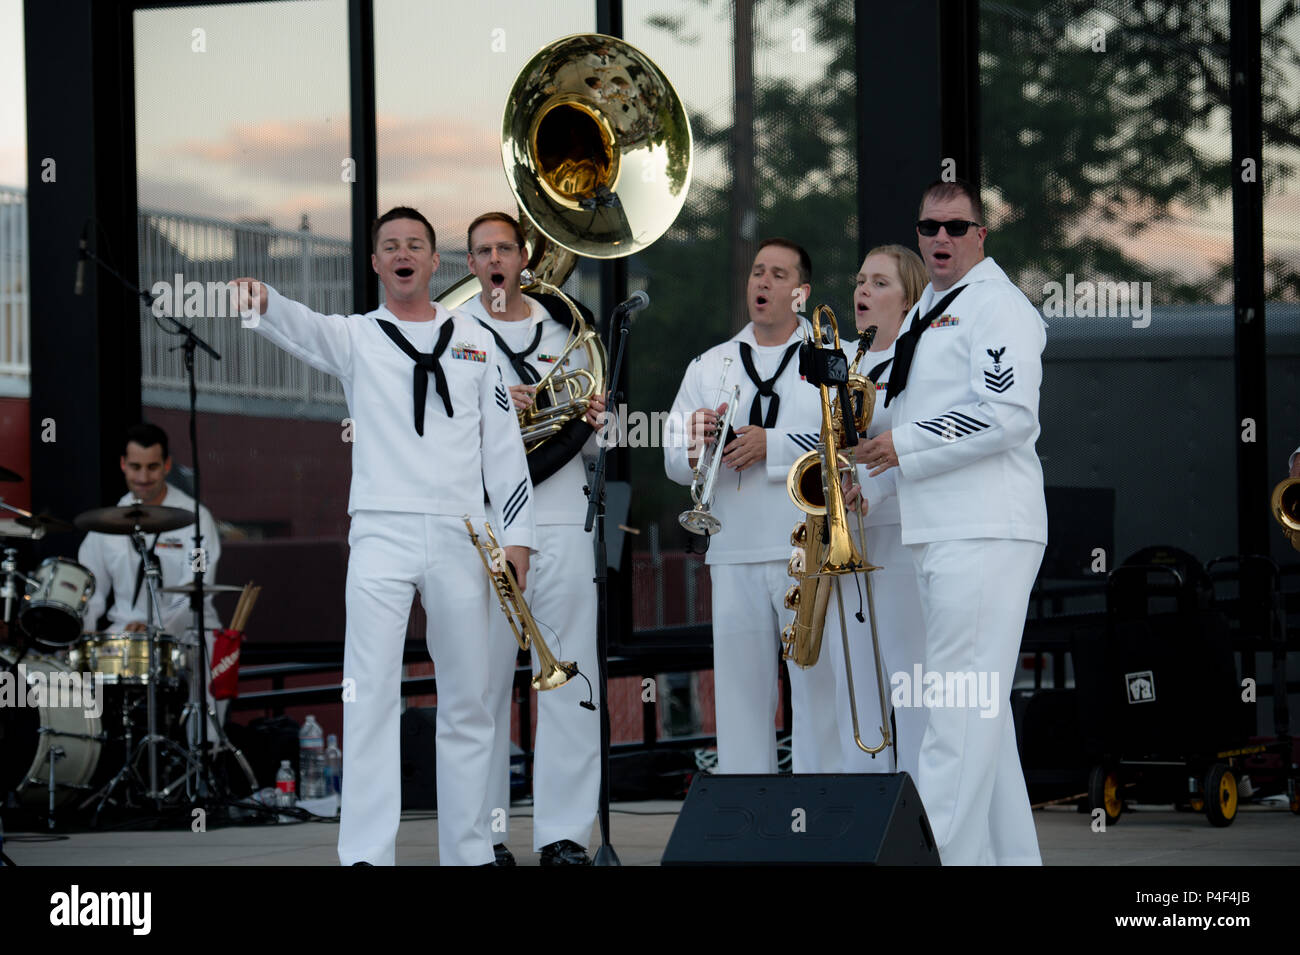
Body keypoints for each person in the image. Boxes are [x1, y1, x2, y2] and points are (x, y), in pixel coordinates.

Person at [231, 205, 536, 866]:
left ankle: (471, 850)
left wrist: (518, 538)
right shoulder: (357, 337)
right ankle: (367, 853)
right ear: (376, 263)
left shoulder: (474, 337)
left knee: (469, 699)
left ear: (434, 262)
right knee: (368, 693)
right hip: (381, 531)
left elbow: (505, 447)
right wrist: (263, 299)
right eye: (390, 245)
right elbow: (303, 330)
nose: (403, 253)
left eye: (416, 244)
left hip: (463, 533)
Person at [855, 179, 1048, 865]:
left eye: (957, 228)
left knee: (956, 718)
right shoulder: (927, 312)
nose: (941, 239)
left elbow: (1007, 416)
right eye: (930, 228)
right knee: (980, 723)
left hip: (986, 527)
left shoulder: (998, 308)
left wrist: (902, 445)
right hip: (942, 530)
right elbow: (907, 414)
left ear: (980, 234)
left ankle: (930, 859)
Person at [459, 211, 605, 866]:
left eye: (505, 248)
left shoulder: (565, 332)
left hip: (561, 515)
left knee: (570, 676)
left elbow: (578, 410)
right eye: (482, 250)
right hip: (488, 525)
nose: (495, 259)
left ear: (525, 258)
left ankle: (564, 835)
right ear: (470, 264)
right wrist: (491, 405)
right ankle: (485, 838)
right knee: (482, 686)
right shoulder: (453, 336)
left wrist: (592, 416)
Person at [664, 238, 840, 774]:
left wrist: (774, 446)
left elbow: (848, 442)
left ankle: (825, 816)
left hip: (809, 554)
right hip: (734, 549)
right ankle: (748, 820)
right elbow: (673, 459)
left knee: (820, 696)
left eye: (778, 274)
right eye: (757, 272)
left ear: (801, 293)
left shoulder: (835, 356)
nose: (762, 282)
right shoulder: (709, 363)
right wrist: (695, 445)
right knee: (739, 700)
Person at [829, 244, 929, 781]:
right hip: (849, 533)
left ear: (909, 296)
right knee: (854, 683)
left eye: (879, 283)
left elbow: (916, 443)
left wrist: (869, 482)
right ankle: (861, 804)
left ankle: (918, 812)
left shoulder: (923, 357)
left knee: (909, 679)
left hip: (899, 533)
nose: (863, 291)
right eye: (860, 280)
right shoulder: (843, 360)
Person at [78, 423, 225, 732]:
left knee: (211, 659)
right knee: (75, 673)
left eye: (152, 467)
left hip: (189, 632)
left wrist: (157, 626)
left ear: (167, 465)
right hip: (125, 631)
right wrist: (80, 634)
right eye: (135, 467)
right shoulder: (106, 523)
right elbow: (90, 592)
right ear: (122, 464)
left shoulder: (196, 519)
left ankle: (207, 756)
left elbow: (196, 590)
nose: (143, 477)